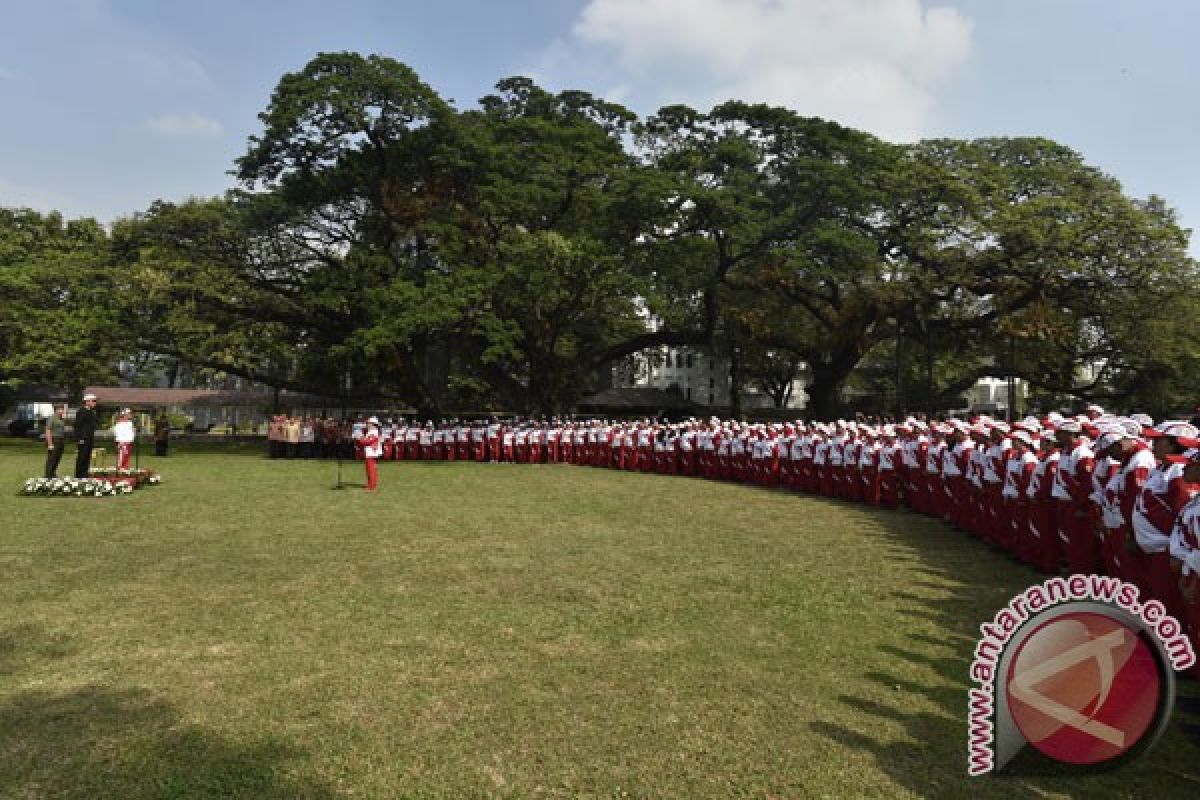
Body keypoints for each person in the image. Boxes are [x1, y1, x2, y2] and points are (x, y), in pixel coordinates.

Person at [73, 393, 99, 478]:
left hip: (90, 438)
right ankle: (79, 475)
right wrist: (79, 438)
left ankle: (84, 474)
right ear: (87, 401)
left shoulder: (91, 412)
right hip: (83, 438)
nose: (95, 403)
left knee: (87, 457)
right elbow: (77, 425)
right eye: (93, 401)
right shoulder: (81, 411)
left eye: (95, 401)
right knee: (82, 457)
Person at [356, 416, 382, 491]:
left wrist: (360, 439)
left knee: (371, 470)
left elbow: (368, 441)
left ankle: (371, 486)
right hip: (370, 452)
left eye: (368, 423)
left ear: (373, 424)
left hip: (371, 453)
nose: (367, 424)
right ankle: (370, 484)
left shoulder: (374, 431)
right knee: (370, 469)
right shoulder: (371, 431)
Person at [44, 404, 67, 478]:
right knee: (52, 458)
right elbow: (48, 431)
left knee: (57, 458)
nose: (62, 411)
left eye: (62, 409)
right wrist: (50, 444)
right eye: (61, 409)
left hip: (61, 440)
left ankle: (53, 473)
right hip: (54, 439)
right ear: (56, 410)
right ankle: (48, 475)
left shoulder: (61, 419)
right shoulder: (52, 418)